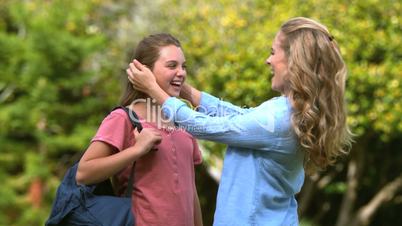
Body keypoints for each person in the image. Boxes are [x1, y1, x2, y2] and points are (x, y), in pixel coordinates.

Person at [126, 17, 353, 225]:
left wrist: (155, 89)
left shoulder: (278, 118)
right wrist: (186, 91)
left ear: (294, 60)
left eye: (273, 52)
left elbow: (203, 126)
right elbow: (238, 117)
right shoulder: (283, 109)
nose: (268, 60)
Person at [76, 33, 203, 226]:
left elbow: (190, 190)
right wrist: (136, 150)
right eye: (171, 66)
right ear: (144, 71)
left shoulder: (182, 121)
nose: (181, 73)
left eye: (183, 66)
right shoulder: (123, 119)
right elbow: (83, 174)